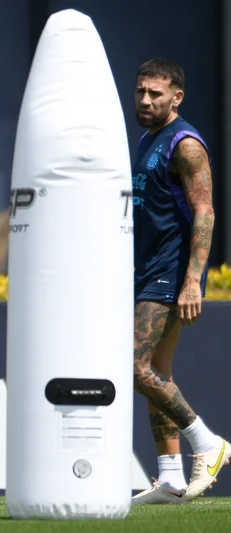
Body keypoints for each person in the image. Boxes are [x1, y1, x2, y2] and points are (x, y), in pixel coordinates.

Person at [129, 58, 230, 505]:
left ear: (177, 97)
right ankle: (169, 479)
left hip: (170, 273)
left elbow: (205, 211)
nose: (146, 100)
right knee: (156, 374)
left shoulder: (185, 144)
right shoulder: (147, 140)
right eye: (141, 91)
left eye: (156, 93)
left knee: (132, 365)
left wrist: (193, 280)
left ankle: (207, 442)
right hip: (146, 270)